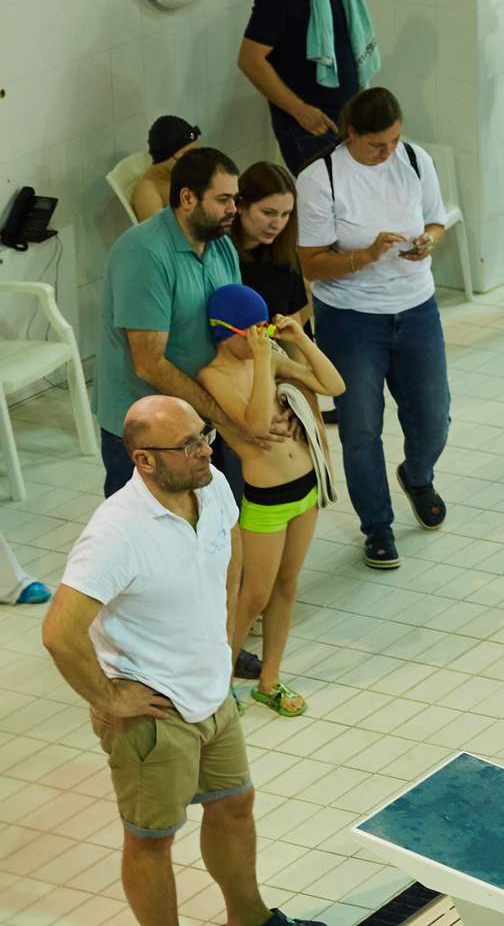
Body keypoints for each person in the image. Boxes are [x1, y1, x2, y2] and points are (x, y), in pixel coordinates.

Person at [43, 396, 325, 926]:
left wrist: (223, 639)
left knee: (234, 806)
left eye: (204, 436)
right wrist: (109, 697)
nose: (205, 452)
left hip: (211, 690)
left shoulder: (211, 485)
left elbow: (231, 546)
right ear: (144, 460)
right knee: (152, 840)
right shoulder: (116, 533)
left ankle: (251, 920)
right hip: (152, 711)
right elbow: (59, 633)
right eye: (189, 445)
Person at [296, 87, 450, 571]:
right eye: (376, 145)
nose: (388, 153)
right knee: (361, 428)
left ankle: (418, 474)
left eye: (395, 141)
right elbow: (312, 264)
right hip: (350, 317)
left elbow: (438, 222)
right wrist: (366, 255)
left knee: (433, 416)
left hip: (416, 307)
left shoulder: (415, 158)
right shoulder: (320, 178)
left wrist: (427, 242)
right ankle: (377, 527)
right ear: (352, 134)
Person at [198, 286, 343, 720]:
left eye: (266, 332)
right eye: (254, 333)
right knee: (252, 597)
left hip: (306, 490)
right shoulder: (214, 376)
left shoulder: (271, 356)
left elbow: (333, 384)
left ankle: (268, 681)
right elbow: (257, 422)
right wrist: (265, 361)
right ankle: (217, 686)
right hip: (267, 499)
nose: (262, 339)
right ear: (226, 334)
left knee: (287, 585)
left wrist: (299, 340)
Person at [94, 150, 248, 500]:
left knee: (217, 522)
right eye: (223, 199)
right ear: (187, 198)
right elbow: (150, 362)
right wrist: (221, 415)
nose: (233, 209)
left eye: (234, 199)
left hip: (201, 416)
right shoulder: (144, 253)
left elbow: (232, 332)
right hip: (147, 428)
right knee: (149, 538)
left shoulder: (221, 244)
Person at [239, 0, 378, 174]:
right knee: (328, 202)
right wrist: (300, 110)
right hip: (306, 126)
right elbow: (249, 60)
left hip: (344, 121)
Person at [231, 164, 310, 332]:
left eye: (285, 214)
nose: (277, 225)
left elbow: (292, 331)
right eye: (268, 213)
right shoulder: (217, 255)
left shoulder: (283, 257)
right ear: (240, 206)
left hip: (272, 353)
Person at [128, 117, 201, 222]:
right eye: (186, 155)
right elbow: (157, 235)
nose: (192, 160)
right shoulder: (147, 190)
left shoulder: (182, 176)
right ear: (165, 156)